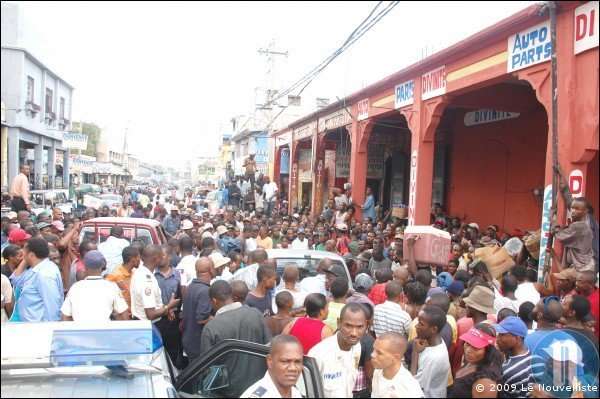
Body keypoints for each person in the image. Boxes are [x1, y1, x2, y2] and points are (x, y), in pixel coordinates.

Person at [200, 281, 272, 396]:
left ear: (214, 300)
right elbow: (269, 347)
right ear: (231, 295)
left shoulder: (211, 328)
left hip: (229, 392)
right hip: (258, 389)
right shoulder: (255, 313)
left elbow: (207, 369)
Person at [308, 303, 368, 398]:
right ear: (339, 323)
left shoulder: (357, 347)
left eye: (360, 327)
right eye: (348, 326)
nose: (354, 333)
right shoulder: (318, 354)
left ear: (366, 326)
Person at [60, 250, 129, 322]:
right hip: (104, 332)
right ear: (103, 265)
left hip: (80, 332)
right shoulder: (111, 287)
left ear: (85, 266)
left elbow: (65, 317)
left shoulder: (75, 288)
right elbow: (124, 316)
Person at [9, 238, 64, 322]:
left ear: (31, 255)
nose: (22, 256)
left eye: (24, 253)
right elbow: (16, 280)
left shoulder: (44, 275)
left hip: (39, 328)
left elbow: (52, 307)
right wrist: (27, 259)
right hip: (30, 326)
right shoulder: (35, 268)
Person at [448, 324, 502, 398]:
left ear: (487, 351)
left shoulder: (485, 382)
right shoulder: (474, 360)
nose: (468, 350)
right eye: (467, 344)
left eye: (476, 348)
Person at [240, 334, 304, 398]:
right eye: (285, 361)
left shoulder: (295, 393)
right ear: (269, 361)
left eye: (298, 362)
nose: (293, 368)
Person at [129, 245, 180, 322]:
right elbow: (151, 314)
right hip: (146, 326)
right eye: (162, 255)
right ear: (157, 259)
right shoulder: (147, 281)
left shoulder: (139, 272)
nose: (163, 257)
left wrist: (163, 307)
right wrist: (169, 306)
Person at [410, 306, 451, 398]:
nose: (416, 326)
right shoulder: (438, 341)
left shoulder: (433, 359)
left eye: (421, 324)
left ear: (433, 329)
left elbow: (413, 386)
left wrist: (415, 353)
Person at [493, 316, 539, 399]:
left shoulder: (508, 371)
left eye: (502, 335)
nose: (497, 338)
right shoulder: (535, 358)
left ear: (516, 339)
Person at [371, 331, 424, 398]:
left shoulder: (409, 390)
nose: (372, 355)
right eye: (373, 350)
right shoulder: (378, 371)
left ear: (395, 357)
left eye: (379, 353)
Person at [181, 257, 214, 361]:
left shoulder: (190, 286)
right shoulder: (205, 291)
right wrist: (221, 316)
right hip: (198, 345)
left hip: (190, 341)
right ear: (211, 270)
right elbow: (202, 319)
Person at [154, 245, 182, 364]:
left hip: (172, 317)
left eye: (162, 256)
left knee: (172, 347)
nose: (158, 259)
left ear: (169, 256)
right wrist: (167, 307)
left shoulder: (178, 274)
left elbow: (180, 294)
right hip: (156, 316)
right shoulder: (151, 274)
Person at [550, 197, 594, 271]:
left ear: (585, 211)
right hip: (586, 264)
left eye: (577, 209)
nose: (573, 211)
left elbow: (559, 235)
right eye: (572, 208)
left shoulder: (579, 226)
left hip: (583, 268)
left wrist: (552, 218)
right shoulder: (587, 222)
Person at [106, 245, 140, 310]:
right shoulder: (114, 275)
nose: (140, 260)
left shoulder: (135, 273)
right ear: (132, 258)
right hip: (121, 317)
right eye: (138, 257)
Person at [575, 270, 599, 337]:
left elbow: (591, 325)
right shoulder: (581, 292)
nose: (576, 283)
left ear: (591, 285)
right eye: (576, 280)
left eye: (580, 282)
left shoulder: (595, 302)